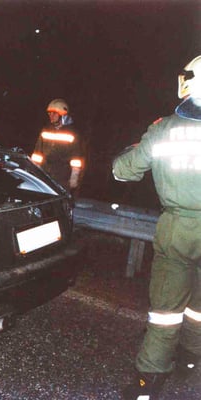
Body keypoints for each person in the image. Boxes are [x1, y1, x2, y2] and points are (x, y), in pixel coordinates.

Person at [113, 55, 201, 400]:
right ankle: (191, 358)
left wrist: (131, 149)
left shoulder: (163, 129)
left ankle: (147, 383)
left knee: (166, 309)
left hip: (177, 228)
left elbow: (123, 171)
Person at [31, 98, 85, 193]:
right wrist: (34, 170)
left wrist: (74, 176)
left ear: (62, 115)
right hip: (44, 173)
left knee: (59, 198)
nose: (51, 116)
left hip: (62, 176)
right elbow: (37, 154)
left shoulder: (73, 133)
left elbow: (76, 159)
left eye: (54, 113)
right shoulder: (46, 130)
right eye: (49, 113)